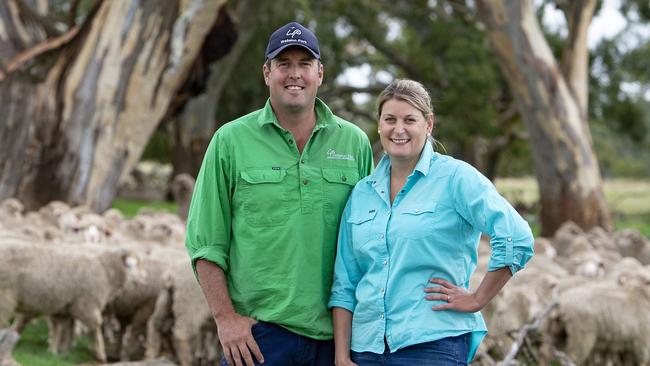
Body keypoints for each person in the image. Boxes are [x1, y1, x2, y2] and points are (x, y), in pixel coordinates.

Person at [184, 21, 373, 366]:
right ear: (267, 73)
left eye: (304, 64)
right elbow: (205, 242)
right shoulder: (230, 141)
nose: (294, 74)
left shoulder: (354, 143)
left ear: (320, 73)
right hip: (258, 338)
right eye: (284, 64)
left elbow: (370, 237)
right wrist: (226, 319)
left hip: (339, 339)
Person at [329, 79, 535, 365]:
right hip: (365, 350)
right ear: (379, 124)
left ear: (428, 124)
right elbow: (345, 281)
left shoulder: (456, 179)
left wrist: (476, 299)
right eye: (390, 119)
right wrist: (341, 355)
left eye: (409, 120)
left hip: (432, 346)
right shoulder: (362, 193)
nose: (398, 129)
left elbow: (516, 236)